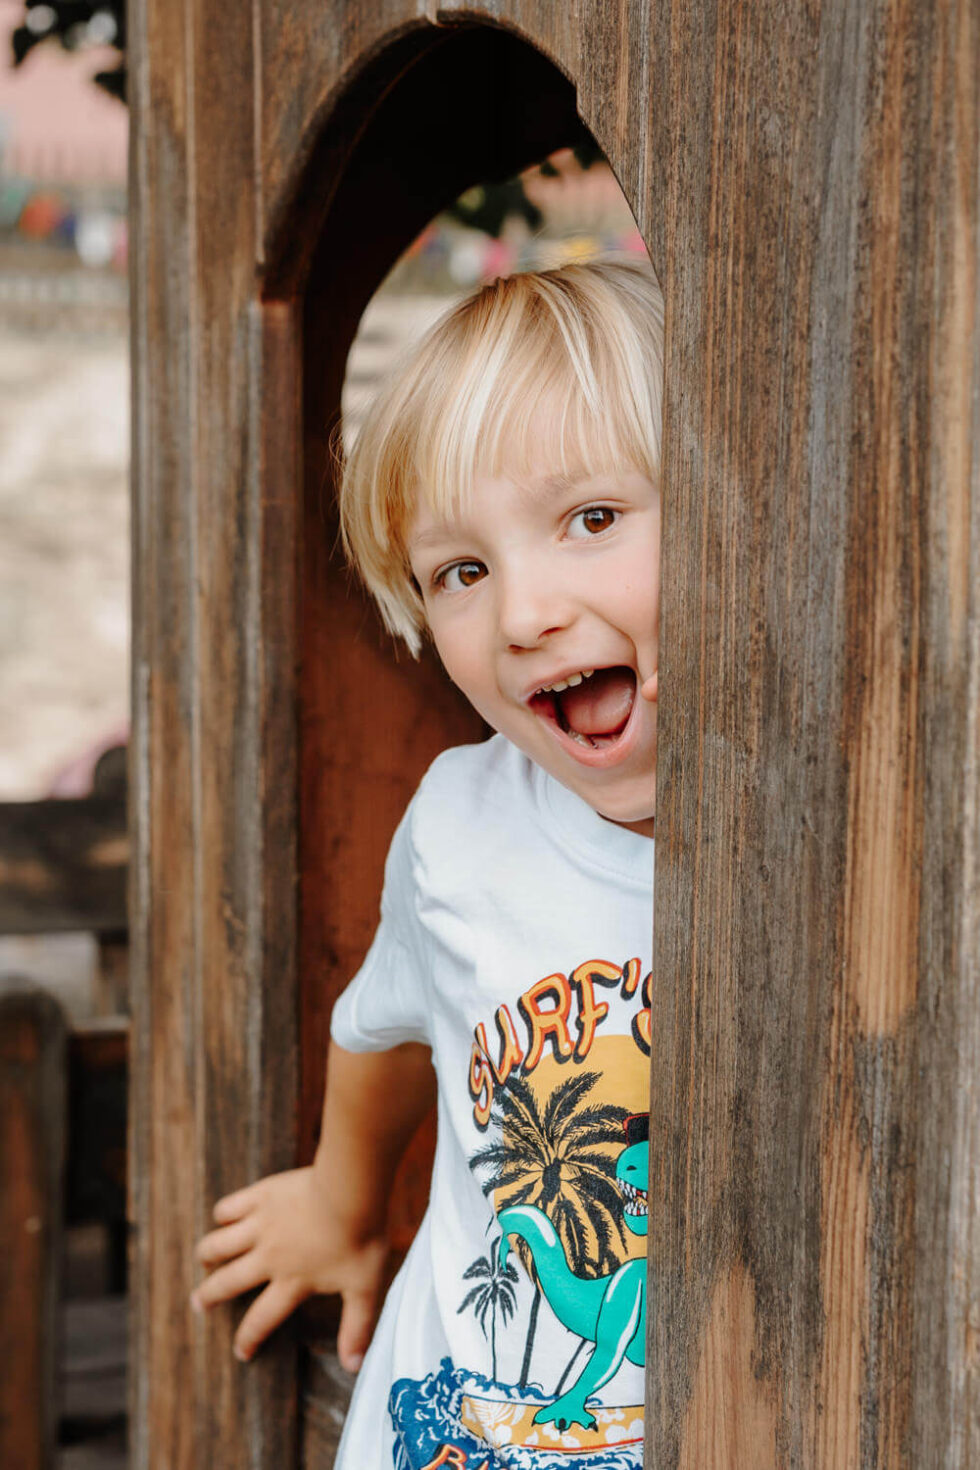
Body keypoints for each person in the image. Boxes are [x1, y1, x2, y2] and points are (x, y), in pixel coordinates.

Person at [191, 260, 663, 1468]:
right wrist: (343, 1202)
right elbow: (389, 1023)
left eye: (591, 521)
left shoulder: (847, 851)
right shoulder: (462, 824)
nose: (522, 614)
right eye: (460, 571)